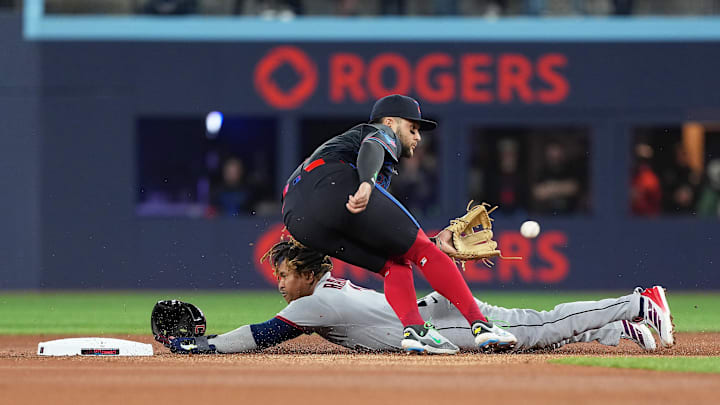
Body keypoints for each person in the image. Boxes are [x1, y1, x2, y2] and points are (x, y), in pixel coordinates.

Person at [280, 94, 515, 354]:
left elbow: (395, 237)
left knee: (395, 264)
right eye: (412, 128)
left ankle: (415, 331)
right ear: (391, 122)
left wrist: (433, 245)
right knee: (424, 251)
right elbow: (373, 145)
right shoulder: (380, 132)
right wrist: (367, 182)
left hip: (295, 215)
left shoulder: (354, 150)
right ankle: (482, 326)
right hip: (332, 183)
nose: (418, 137)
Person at [164, 240, 675, 354]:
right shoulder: (324, 290)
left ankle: (638, 301)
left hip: (440, 323)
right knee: (533, 335)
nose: (278, 283)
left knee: (535, 331)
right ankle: (615, 326)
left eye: (283, 274)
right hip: (433, 312)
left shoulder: (310, 303)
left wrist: (201, 347)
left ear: (304, 272)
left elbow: (262, 336)